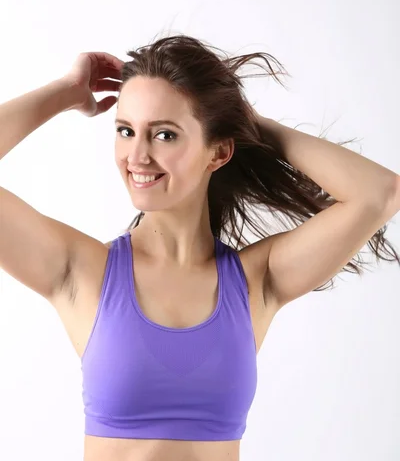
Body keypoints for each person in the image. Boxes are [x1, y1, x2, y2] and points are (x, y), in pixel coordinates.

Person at [0, 34, 399, 461]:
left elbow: (380, 194)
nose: (137, 155)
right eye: (125, 130)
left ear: (218, 152)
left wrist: (245, 121)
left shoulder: (255, 282)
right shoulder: (81, 271)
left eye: (165, 135)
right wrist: (66, 92)